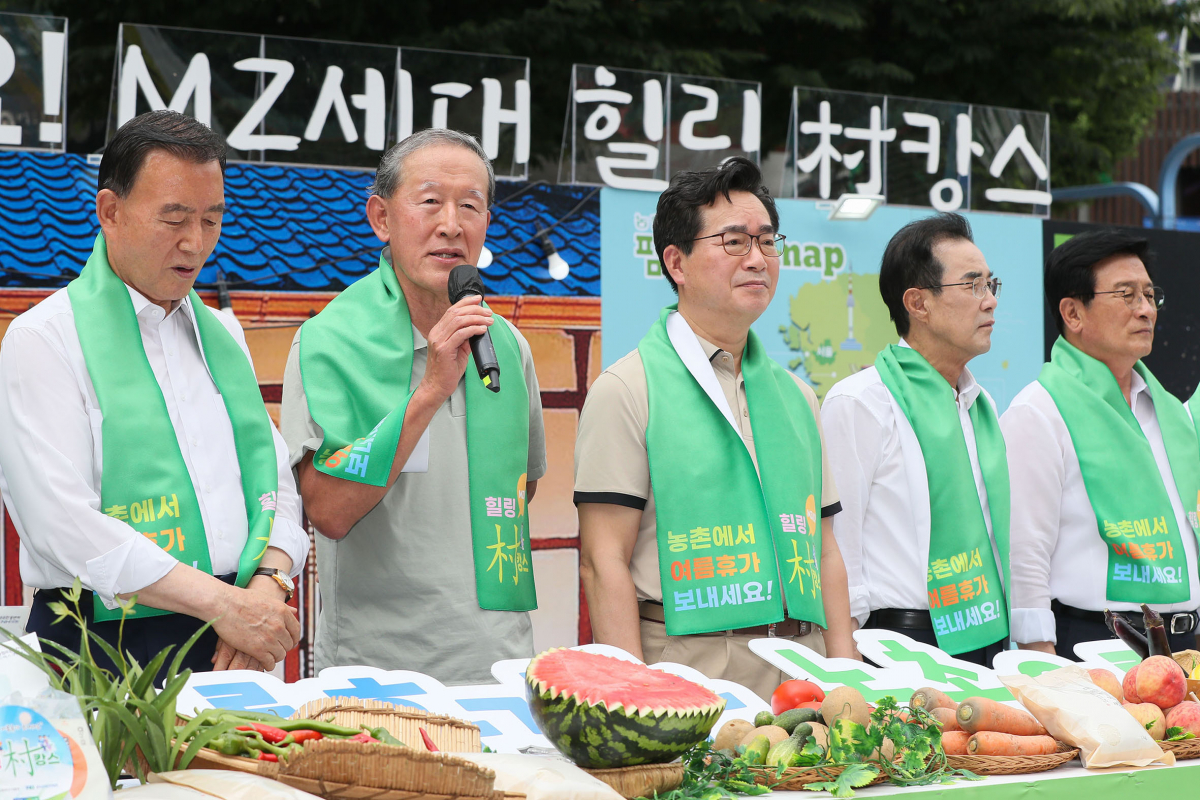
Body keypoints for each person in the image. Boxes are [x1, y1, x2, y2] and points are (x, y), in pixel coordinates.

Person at [0, 110, 307, 675]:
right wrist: (223, 604)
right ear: (110, 212)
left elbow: (276, 485)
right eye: (174, 219)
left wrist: (269, 582)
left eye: (212, 220)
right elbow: (61, 523)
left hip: (235, 638)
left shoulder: (223, 336)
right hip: (102, 641)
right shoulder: (44, 339)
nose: (195, 244)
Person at [574, 157, 858, 700]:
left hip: (804, 669)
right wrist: (636, 698)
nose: (757, 259)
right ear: (676, 262)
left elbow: (824, 549)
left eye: (767, 242)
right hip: (690, 669)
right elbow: (601, 560)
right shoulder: (629, 388)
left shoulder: (796, 396)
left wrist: (847, 680)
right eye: (734, 242)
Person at [281, 129, 546, 684]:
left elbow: (523, 490)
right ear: (381, 217)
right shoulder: (330, 341)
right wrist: (429, 391)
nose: (451, 223)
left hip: (501, 666)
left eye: (470, 206)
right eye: (430, 202)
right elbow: (326, 512)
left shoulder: (504, 345)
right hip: (378, 673)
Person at [822, 213, 1010, 667]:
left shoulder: (978, 404)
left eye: (991, 285)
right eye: (972, 286)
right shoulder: (860, 402)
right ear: (918, 303)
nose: (989, 302)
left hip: (988, 638)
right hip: (902, 646)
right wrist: (847, 670)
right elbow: (839, 550)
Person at [1003, 230, 1200, 658]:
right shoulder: (1039, 411)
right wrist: (1043, 665)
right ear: (1073, 313)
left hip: (1185, 647)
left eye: (1150, 295)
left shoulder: (1168, 411)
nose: (1146, 309)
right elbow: (1024, 552)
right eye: (1126, 295)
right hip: (1095, 645)